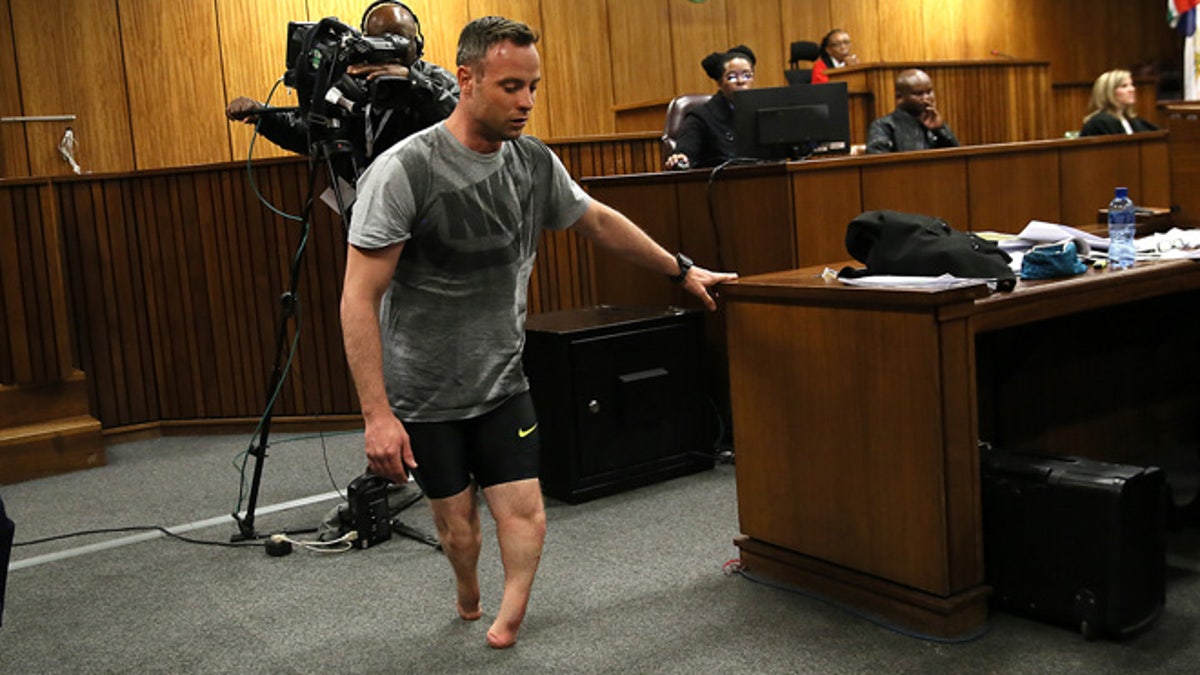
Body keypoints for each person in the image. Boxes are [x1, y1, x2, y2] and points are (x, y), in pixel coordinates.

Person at [340, 16, 736, 649]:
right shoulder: (404, 172)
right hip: (427, 390)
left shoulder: (532, 162)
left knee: (524, 510)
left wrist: (680, 270)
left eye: (533, 87)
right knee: (459, 528)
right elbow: (358, 299)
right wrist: (377, 416)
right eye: (510, 87)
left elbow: (597, 221)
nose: (525, 102)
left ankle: (510, 613)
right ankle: (467, 586)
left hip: (503, 378)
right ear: (466, 80)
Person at [225, 1, 458, 175]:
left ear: (417, 45)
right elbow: (311, 134)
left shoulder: (433, 80)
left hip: (430, 208)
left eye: (399, 39)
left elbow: (464, 122)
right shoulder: (350, 81)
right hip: (369, 209)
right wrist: (263, 116)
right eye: (380, 39)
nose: (389, 47)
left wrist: (414, 84)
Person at [663, 45, 756, 170]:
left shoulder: (762, 110)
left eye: (747, 75)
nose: (740, 81)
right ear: (720, 83)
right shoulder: (701, 116)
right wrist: (681, 157)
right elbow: (686, 151)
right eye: (732, 77)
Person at [865, 68, 960, 154]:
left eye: (929, 92)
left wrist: (940, 129)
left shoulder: (935, 123)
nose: (926, 98)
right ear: (899, 97)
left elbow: (958, 159)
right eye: (919, 94)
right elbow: (879, 166)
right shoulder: (883, 126)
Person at [1079, 69, 1159, 136]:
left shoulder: (1132, 120)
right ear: (1109, 92)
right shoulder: (1100, 123)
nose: (1132, 89)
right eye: (1124, 86)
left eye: (1131, 85)